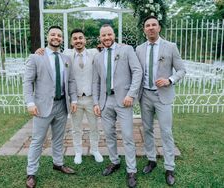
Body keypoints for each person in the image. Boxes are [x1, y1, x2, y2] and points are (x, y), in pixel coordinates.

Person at [23, 26, 77, 188]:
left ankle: (58, 163)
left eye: (59, 35)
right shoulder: (36, 57)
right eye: (53, 34)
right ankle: (31, 172)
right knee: (37, 140)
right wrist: (30, 102)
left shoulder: (66, 59)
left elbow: (71, 81)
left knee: (58, 138)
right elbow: (27, 82)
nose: (56, 37)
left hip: (62, 105)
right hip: (42, 106)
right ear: (48, 37)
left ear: (62, 39)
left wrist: (73, 100)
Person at [136, 16, 186, 186]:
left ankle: (170, 167)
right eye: (147, 25)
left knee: (166, 131)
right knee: (148, 129)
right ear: (144, 29)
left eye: (153, 25)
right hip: (145, 96)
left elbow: (181, 70)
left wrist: (170, 80)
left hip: (163, 95)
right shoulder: (139, 49)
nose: (150, 28)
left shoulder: (171, 47)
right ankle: (151, 160)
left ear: (159, 28)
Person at [92, 24, 142, 188]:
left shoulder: (126, 50)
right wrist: (96, 103)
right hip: (106, 101)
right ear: (100, 37)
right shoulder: (98, 57)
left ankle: (131, 170)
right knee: (109, 134)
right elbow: (96, 82)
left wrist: (131, 94)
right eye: (103, 35)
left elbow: (137, 72)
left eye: (109, 34)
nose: (106, 38)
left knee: (127, 136)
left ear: (114, 35)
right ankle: (114, 161)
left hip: (123, 100)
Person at [63, 28, 103, 164]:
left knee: (94, 126)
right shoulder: (66, 54)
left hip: (91, 98)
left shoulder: (94, 53)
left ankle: (95, 150)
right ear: (71, 41)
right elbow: (51, 51)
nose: (78, 40)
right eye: (75, 38)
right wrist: (42, 50)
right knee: (76, 128)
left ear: (85, 40)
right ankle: (78, 152)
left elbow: (110, 49)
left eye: (80, 38)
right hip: (75, 99)